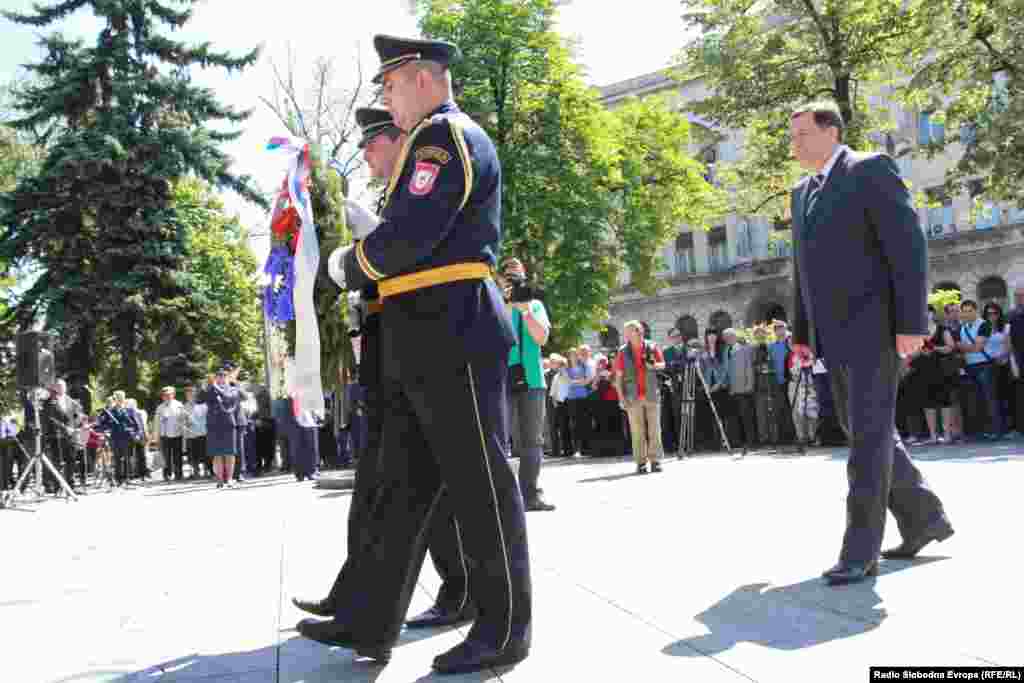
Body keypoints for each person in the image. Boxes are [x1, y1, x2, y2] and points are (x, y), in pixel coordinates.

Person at [300, 94, 496, 669]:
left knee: (464, 488)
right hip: (405, 343)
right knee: (395, 490)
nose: (366, 153)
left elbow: (417, 248)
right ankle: (367, 618)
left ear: (399, 138)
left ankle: (481, 608)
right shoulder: (398, 191)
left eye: (374, 141)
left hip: (443, 336)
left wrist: (357, 257)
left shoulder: (441, 155)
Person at [788, 100, 953, 586]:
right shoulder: (802, 193)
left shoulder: (870, 170)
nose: (794, 145)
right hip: (830, 337)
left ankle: (860, 551)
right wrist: (802, 333)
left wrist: (912, 322)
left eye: (802, 134)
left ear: (831, 131)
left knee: (867, 440)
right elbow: (802, 270)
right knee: (866, 430)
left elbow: (908, 247)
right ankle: (924, 518)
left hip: (874, 330)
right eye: (792, 137)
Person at [501, 257, 555, 511]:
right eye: (509, 274)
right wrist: (505, 304)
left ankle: (530, 494)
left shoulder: (534, 305)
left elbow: (541, 338)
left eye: (518, 274)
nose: (514, 278)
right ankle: (504, 497)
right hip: (501, 380)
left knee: (532, 440)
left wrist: (523, 310)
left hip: (532, 379)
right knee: (500, 440)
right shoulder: (494, 303)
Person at [614, 320, 666, 474]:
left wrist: (654, 365)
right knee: (637, 431)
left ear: (638, 331)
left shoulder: (652, 346)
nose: (625, 334)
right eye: (625, 332)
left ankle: (655, 461)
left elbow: (663, 364)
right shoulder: (622, 351)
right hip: (633, 396)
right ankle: (641, 462)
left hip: (652, 393)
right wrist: (621, 398)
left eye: (628, 331)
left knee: (655, 429)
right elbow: (618, 377)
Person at [202, 368, 240, 489]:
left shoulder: (233, 389)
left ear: (227, 378)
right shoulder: (211, 389)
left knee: (229, 453)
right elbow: (199, 399)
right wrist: (206, 386)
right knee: (217, 454)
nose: (221, 378)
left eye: (224, 376)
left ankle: (229, 479)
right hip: (213, 425)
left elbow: (228, 398)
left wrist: (215, 386)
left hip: (228, 424)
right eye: (219, 376)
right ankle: (219, 479)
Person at [156, 387, 186, 481]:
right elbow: (157, 423)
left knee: (177, 455)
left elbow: (183, 419)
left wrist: (183, 430)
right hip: (164, 435)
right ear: (162, 396)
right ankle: (167, 474)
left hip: (177, 434)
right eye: (165, 395)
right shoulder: (160, 407)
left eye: (169, 394)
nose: (167, 396)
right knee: (166, 456)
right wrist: (157, 436)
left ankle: (178, 474)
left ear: (173, 395)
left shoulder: (179, 405)